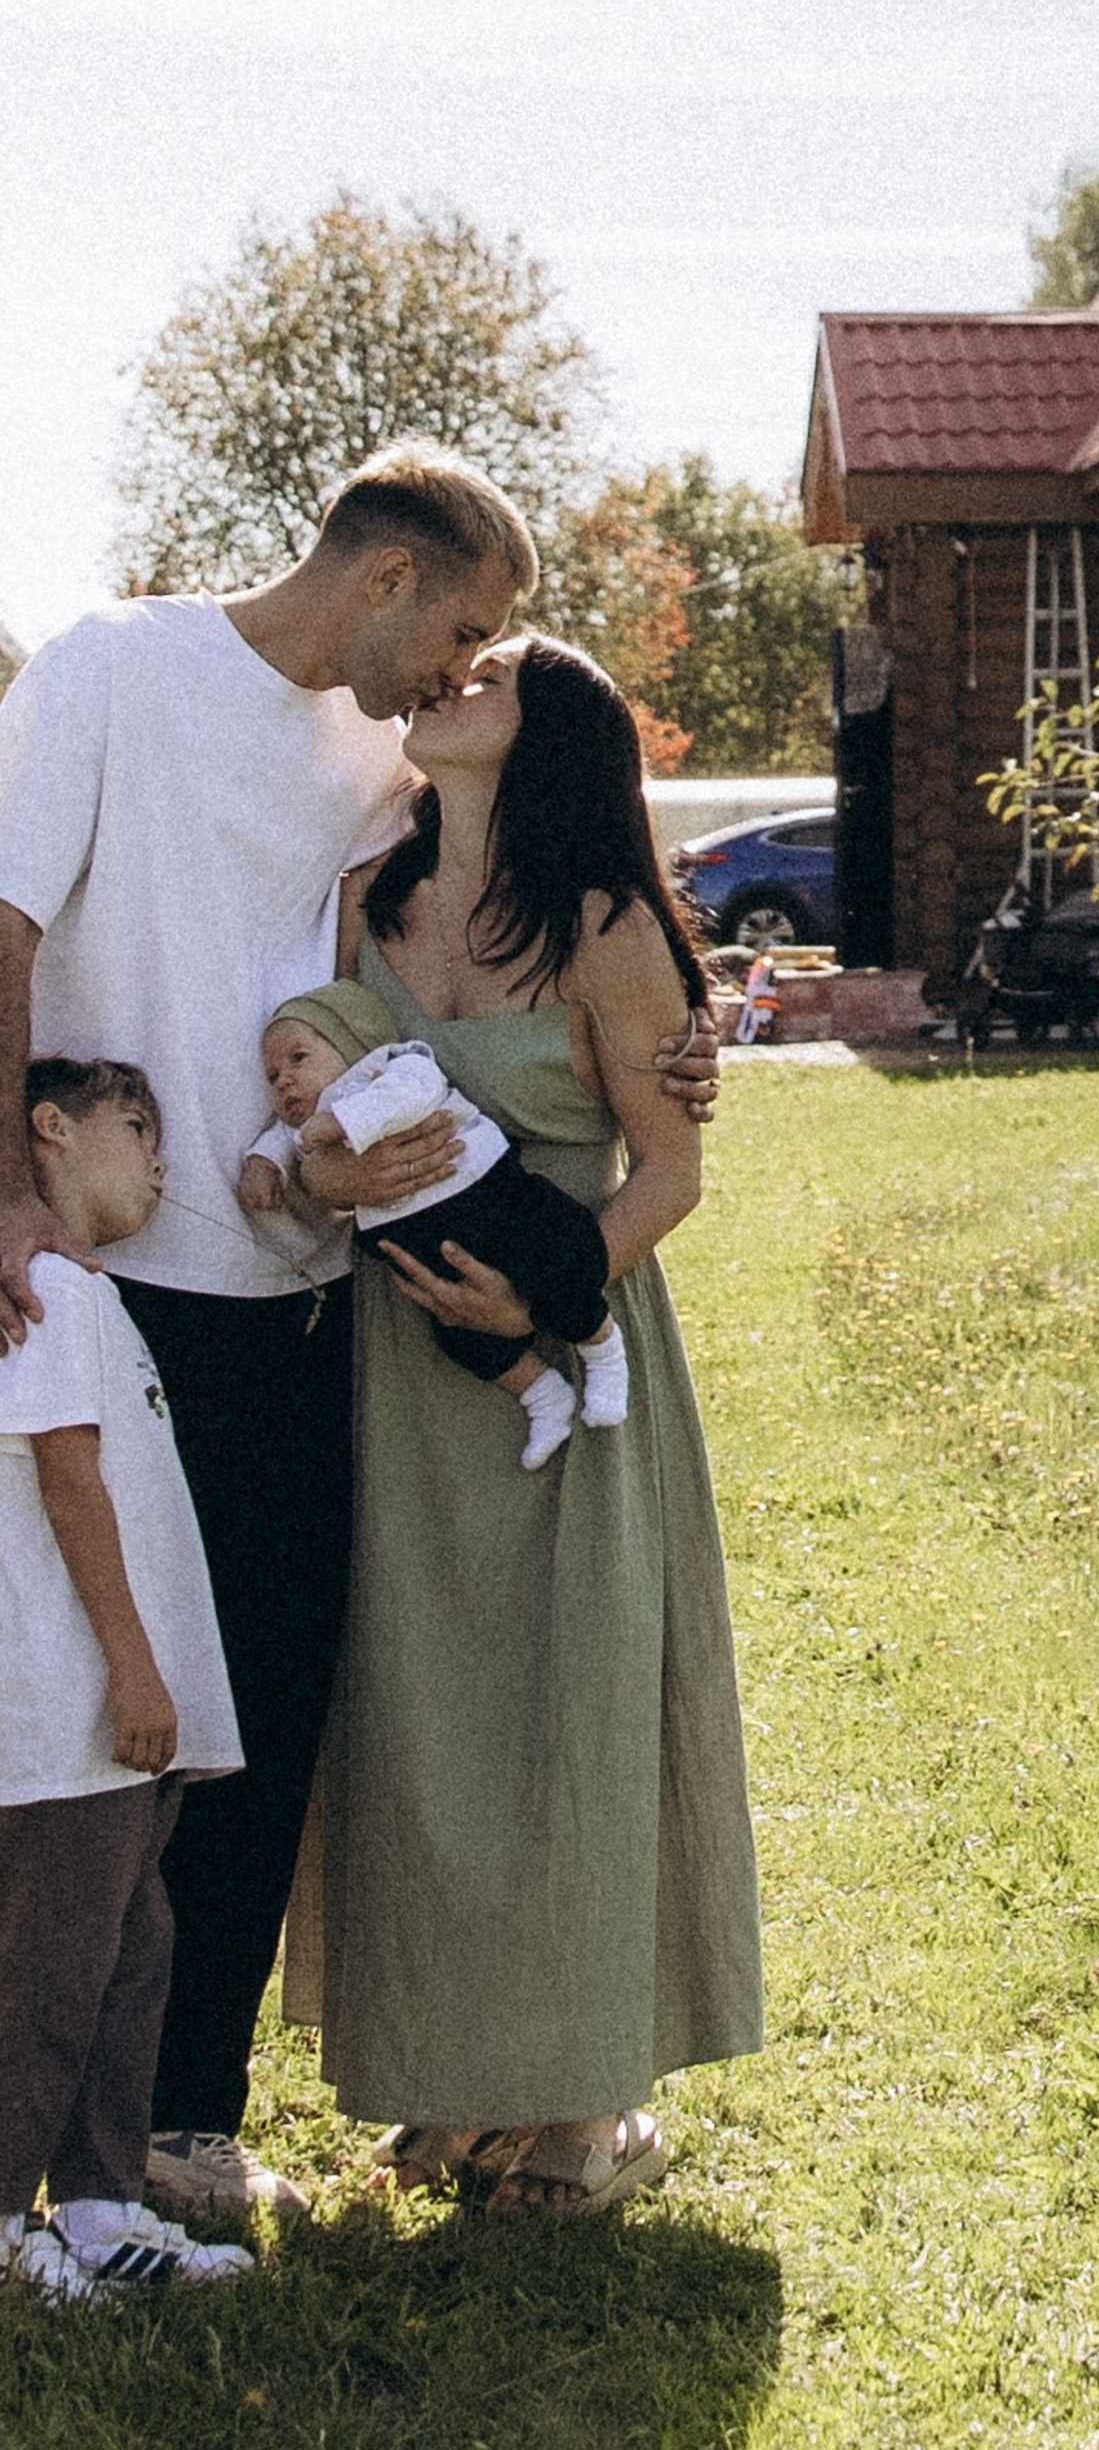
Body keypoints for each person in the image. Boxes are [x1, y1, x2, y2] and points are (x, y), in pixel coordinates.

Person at [0, 448, 717, 2225]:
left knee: (271, 1719)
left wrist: (681, 1055)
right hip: (96, 1283)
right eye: (467, 624)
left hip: (312, 1301)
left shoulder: (381, 761)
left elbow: (547, 911)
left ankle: (179, 2118)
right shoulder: (111, 668)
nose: (462, 670)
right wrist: (8, 1200)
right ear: (390, 579)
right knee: (71, 1715)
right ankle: (38, 2130)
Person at [310, 632, 761, 2211]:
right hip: (395, 1367)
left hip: (568, 1361)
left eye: (488, 668)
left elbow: (673, 1172)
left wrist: (541, 1299)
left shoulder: (603, 926)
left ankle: (581, 2108)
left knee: (564, 1722)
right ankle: (446, 2080)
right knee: (422, 1725)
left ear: (553, 730)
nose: (449, 677)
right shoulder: (368, 898)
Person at [0, 1061, 252, 2301]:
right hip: (70, 1715)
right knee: (49, 1971)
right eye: (136, 1126)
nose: (161, 1159)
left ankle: (99, 2209)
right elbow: (68, 1483)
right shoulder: (40, 1286)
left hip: (118, 1729)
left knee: (132, 1948)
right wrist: (137, 1673)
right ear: (49, 1126)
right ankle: (4, 2224)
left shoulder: (89, 1294)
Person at [243, 989, 628, 1470]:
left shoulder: (391, 1066)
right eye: (273, 1076)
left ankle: (603, 1352)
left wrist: (341, 1121)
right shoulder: (305, 1126)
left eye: (299, 1057)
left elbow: (414, 1094)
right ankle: (543, 1396)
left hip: (488, 1197)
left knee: (555, 1265)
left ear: (350, 1040)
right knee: (457, 1335)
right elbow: (281, 1142)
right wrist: (261, 1164)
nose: (286, 1081)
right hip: (426, 1246)